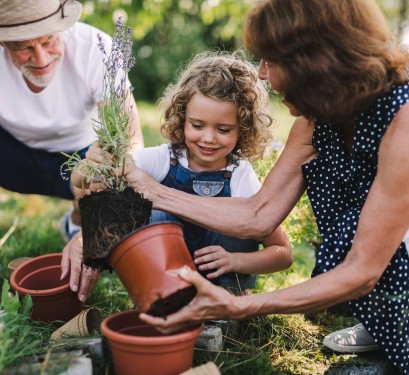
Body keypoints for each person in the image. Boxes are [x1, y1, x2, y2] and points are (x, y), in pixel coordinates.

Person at [72, 0, 409, 372]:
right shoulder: (317, 121)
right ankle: (382, 324)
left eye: (270, 60)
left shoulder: (402, 124)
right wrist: (90, 229)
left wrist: (239, 305)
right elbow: (259, 213)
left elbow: (362, 270)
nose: (262, 74)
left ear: (315, 61)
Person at [67, 51, 292, 298]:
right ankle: (162, 293)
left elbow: (282, 253)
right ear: (182, 119)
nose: (208, 138)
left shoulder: (240, 176)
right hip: (166, 276)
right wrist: (89, 164)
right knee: (153, 212)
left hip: (222, 281)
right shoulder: (164, 159)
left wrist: (236, 261)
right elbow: (82, 181)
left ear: (243, 129)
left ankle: (233, 297)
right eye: (197, 125)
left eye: (224, 129)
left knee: (239, 219)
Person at [0, 0, 144, 242]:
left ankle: (77, 219)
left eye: (49, 41)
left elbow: (130, 139)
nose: (41, 59)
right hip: (12, 158)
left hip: (81, 158)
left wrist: (106, 170)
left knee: (111, 185)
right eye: (24, 48)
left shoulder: (96, 49)